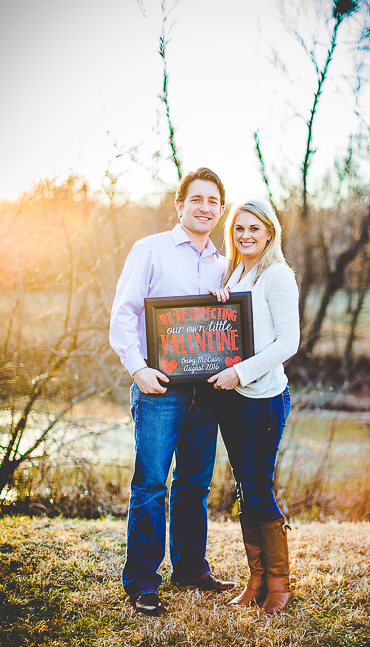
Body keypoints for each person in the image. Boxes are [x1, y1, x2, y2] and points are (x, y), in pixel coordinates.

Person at [110, 167, 237, 617]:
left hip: (207, 392)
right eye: (197, 200)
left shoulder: (224, 264)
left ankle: (189, 570)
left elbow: (230, 328)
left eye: (213, 202)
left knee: (194, 486)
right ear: (179, 206)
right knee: (150, 485)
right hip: (159, 389)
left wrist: (227, 306)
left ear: (220, 211)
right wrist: (138, 368)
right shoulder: (151, 251)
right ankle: (143, 580)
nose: (205, 208)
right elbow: (123, 313)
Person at [207, 199, 299, 614]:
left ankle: (279, 585)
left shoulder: (277, 275)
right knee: (245, 489)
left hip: (262, 399)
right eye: (239, 229)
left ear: (269, 233)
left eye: (254, 229)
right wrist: (216, 302)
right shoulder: (234, 273)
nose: (246, 236)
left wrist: (241, 373)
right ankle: (256, 580)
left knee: (258, 489)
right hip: (230, 399)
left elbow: (287, 343)